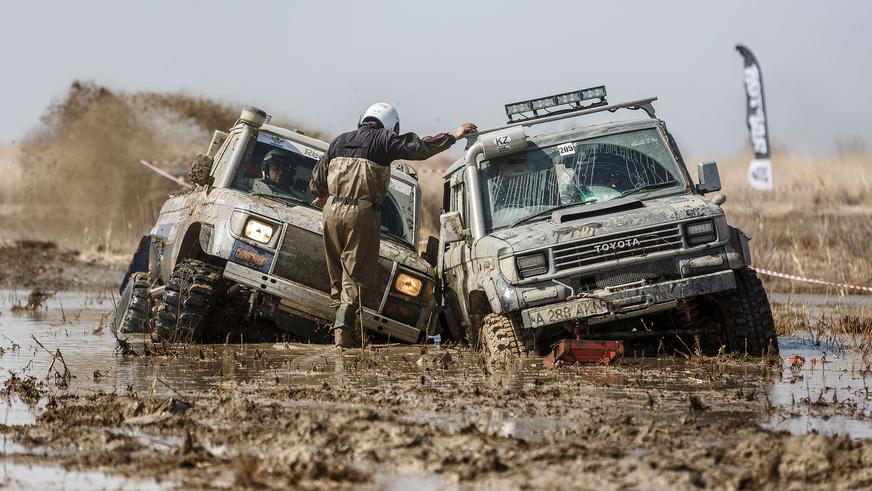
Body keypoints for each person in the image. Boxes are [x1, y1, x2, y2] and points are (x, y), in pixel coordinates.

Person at [310, 102, 476, 347]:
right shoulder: (383, 140)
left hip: (330, 211)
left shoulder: (339, 141)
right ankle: (344, 339)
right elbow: (419, 147)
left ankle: (343, 322)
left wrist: (324, 194)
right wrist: (452, 136)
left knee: (337, 274)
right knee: (355, 275)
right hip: (361, 213)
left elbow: (317, 179)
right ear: (391, 124)